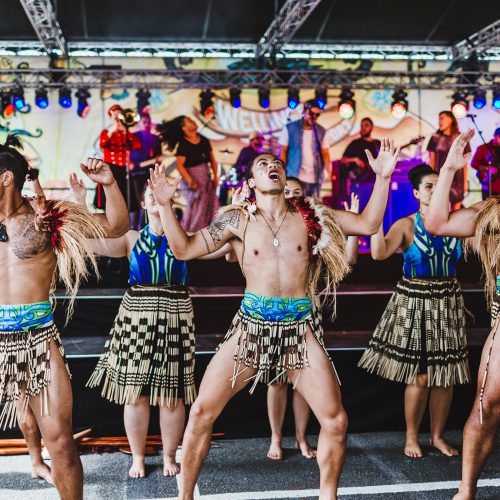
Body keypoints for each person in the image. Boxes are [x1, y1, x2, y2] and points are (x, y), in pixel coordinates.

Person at [148, 138, 401, 500]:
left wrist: (383, 178)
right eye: (263, 163)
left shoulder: (312, 215)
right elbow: (184, 248)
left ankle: (328, 496)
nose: (273, 166)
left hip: (299, 329)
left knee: (337, 421)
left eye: (277, 163)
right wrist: (163, 204)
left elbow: (368, 221)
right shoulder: (236, 219)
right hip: (251, 328)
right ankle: (184, 497)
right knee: (202, 412)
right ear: (251, 182)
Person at [0, 134, 129, 499]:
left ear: (6, 177)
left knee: (59, 441)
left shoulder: (50, 217)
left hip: (37, 339)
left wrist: (109, 183)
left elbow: (116, 228)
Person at [358, 163, 470, 459]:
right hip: (415, 302)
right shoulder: (406, 225)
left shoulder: (458, 223)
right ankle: (411, 437)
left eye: (439, 184)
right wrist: (376, 222)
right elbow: (380, 253)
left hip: (447, 302)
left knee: (445, 376)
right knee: (420, 377)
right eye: (429, 186)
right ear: (417, 193)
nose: (435, 190)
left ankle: (436, 436)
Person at [424, 129, 500, 500]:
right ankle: (465, 492)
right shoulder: (493, 212)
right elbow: (437, 224)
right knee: (486, 408)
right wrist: (450, 168)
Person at [267, 176, 360, 461]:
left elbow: (348, 261)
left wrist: (353, 227)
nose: (292, 195)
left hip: (307, 311)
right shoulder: (268, 226)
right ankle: (275, 438)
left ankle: (300, 438)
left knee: (303, 381)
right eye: (287, 192)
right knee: (277, 380)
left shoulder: (314, 229)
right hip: (272, 313)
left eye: (298, 192)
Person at [157, 116, 218, 232]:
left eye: (192, 119)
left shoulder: (204, 140)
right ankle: (191, 233)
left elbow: (212, 160)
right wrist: (190, 181)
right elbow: (179, 165)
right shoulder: (184, 143)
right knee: (197, 207)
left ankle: (208, 233)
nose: (193, 121)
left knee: (210, 204)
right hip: (192, 179)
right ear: (184, 128)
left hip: (205, 177)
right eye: (189, 121)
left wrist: (216, 177)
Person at [93, 104, 142, 212]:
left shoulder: (127, 133)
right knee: (108, 197)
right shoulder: (106, 132)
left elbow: (137, 145)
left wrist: (126, 130)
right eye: (115, 115)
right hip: (110, 167)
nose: (118, 117)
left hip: (124, 168)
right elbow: (103, 143)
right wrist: (114, 126)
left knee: (125, 198)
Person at [279, 99, 331, 198]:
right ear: (304, 111)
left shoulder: (322, 131)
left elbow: (325, 153)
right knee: (295, 208)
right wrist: (282, 173)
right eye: (311, 113)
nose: (314, 117)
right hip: (295, 176)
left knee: (313, 210)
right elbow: (283, 151)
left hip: (315, 178)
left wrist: (331, 174)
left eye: (317, 115)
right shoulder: (290, 128)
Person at [426, 111, 471, 209]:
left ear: (451, 119)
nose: (439, 121)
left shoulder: (461, 138)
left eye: (442, 118)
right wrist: (430, 179)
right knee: (440, 208)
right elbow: (432, 161)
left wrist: (464, 184)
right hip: (440, 177)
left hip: (457, 179)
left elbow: (465, 163)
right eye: (438, 119)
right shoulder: (435, 138)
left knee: (456, 210)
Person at [129, 113, 163, 229]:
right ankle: (136, 228)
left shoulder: (155, 139)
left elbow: (159, 158)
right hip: (136, 175)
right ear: (139, 124)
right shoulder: (133, 137)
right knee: (139, 202)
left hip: (149, 174)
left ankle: (145, 228)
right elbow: (131, 161)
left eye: (148, 122)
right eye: (144, 122)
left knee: (149, 201)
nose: (146, 124)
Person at [340, 117, 381, 211]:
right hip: (357, 183)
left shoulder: (377, 144)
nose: (363, 128)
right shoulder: (355, 143)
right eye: (361, 125)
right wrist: (355, 159)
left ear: (372, 127)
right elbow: (343, 160)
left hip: (373, 183)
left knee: (372, 210)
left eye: (366, 125)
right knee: (356, 210)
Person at [219, 131, 265, 206]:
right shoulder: (246, 151)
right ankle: (223, 207)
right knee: (224, 185)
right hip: (241, 178)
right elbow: (238, 165)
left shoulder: (262, 155)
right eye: (256, 139)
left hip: (254, 180)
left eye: (260, 140)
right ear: (251, 141)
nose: (258, 142)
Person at [470, 126, 500, 197]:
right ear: (494, 136)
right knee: (488, 207)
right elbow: (473, 163)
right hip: (489, 186)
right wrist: (488, 168)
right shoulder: (483, 148)